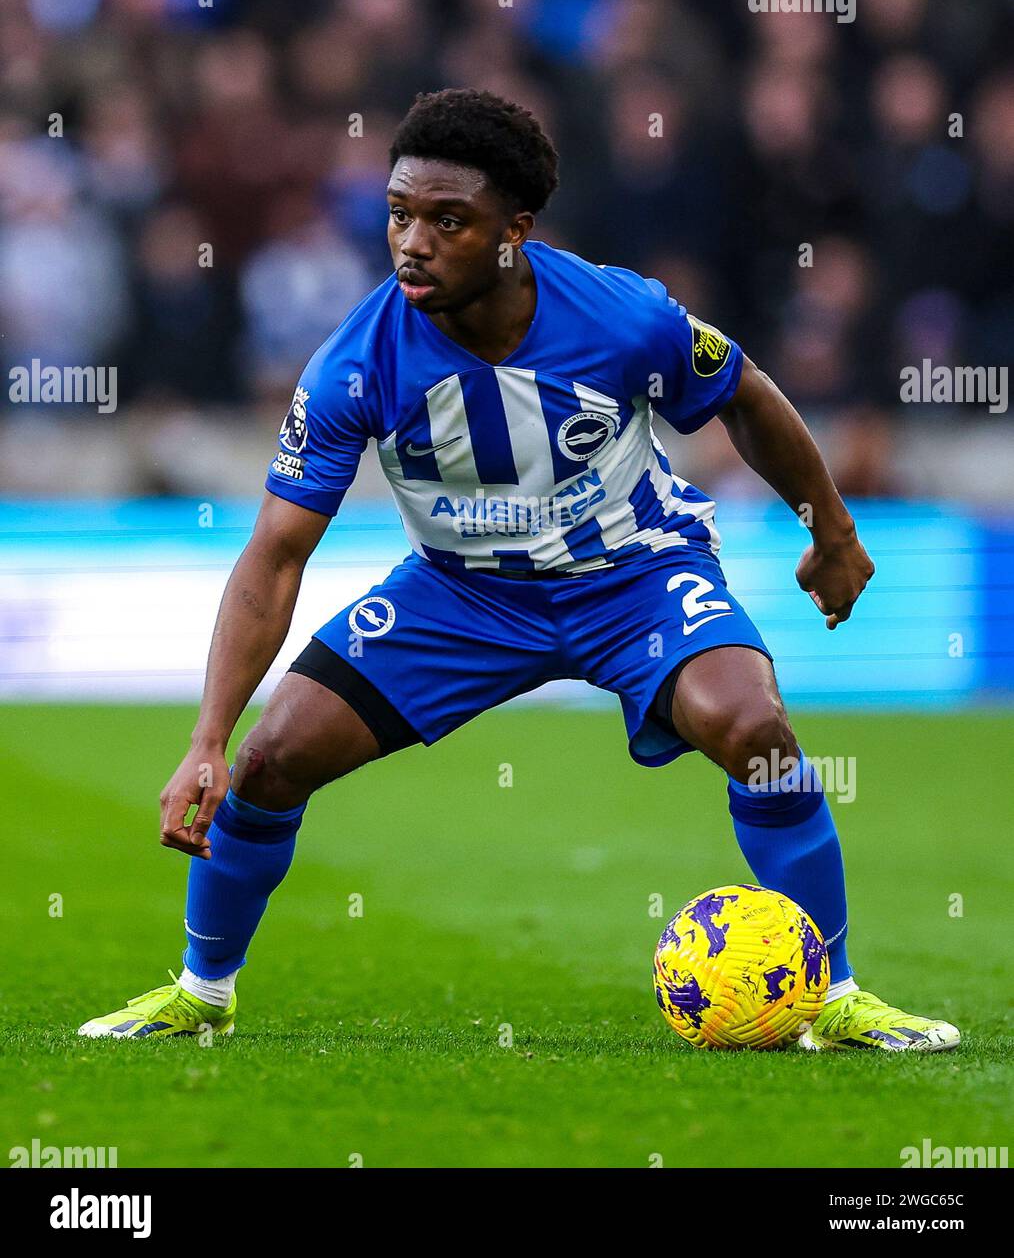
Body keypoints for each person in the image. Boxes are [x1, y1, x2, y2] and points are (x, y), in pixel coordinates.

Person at [80, 90, 958, 1052]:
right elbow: (275, 555)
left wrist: (828, 528)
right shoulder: (353, 366)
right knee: (268, 760)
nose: (412, 242)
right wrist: (208, 734)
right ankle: (203, 992)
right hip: (461, 594)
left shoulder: (622, 316)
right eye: (399, 214)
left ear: (515, 233)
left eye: (447, 221)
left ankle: (832, 996)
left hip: (633, 574)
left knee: (756, 729)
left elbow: (742, 392)